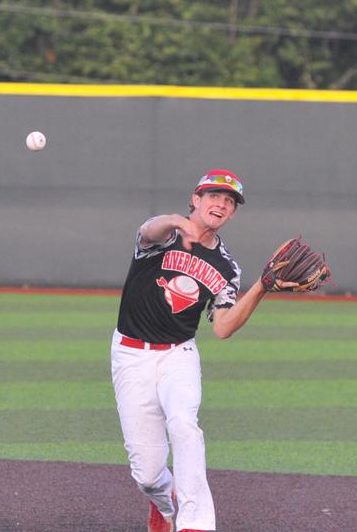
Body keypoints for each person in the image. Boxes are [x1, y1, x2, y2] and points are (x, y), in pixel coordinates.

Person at [111, 169, 273, 532]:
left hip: (177, 355)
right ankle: (164, 502)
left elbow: (222, 327)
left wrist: (261, 287)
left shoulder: (226, 266)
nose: (221, 204)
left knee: (184, 425)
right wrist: (173, 221)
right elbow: (146, 230)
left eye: (229, 202)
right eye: (214, 196)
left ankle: (195, 523)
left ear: (232, 214)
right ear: (195, 200)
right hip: (131, 354)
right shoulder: (163, 236)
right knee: (148, 474)